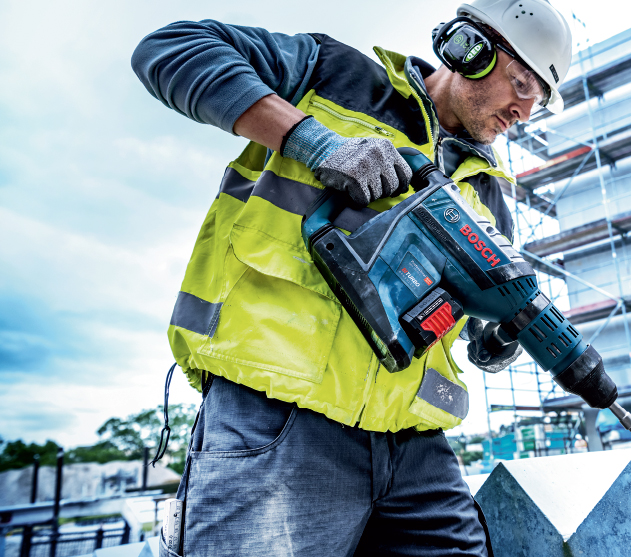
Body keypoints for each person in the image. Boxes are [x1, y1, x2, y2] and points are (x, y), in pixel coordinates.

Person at [131, 1, 572, 555]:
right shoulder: (335, 76)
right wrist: (312, 141)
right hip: (278, 414)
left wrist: (496, 339)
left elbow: (463, 329)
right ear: (471, 50)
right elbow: (168, 50)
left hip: (414, 446)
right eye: (521, 83)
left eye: (538, 101)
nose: (524, 111)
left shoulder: (486, 195)